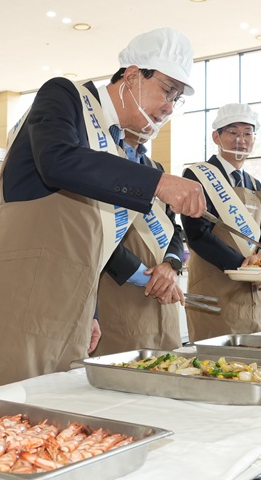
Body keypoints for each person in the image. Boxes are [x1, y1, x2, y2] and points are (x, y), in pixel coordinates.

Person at [0, 28, 206, 393]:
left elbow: (92, 242)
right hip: (12, 295)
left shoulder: (121, 151)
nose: (170, 106)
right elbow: (57, 161)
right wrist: (159, 183)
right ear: (134, 75)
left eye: (178, 99)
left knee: (49, 419)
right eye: (168, 90)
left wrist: (89, 312)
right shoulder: (65, 97)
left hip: (69, 307)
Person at [181, 103, 261, 342]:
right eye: (232, 132)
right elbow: (198, 234)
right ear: (217, 137)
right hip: (214, 285)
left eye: (247, 133)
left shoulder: (255, 184)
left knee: (257, 357)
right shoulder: (197, 175)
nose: (240, 139)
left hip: (253, 290)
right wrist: (245, 268)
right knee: (217, 363)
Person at [93, 128, 185, 356]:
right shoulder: (98, 159)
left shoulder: (155, 169)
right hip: (118, 289)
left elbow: (173, 227)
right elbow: (92, 230)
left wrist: (171, 266)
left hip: (164, 295)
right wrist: (146, 276)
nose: (165, 108)